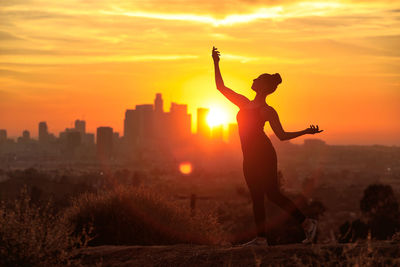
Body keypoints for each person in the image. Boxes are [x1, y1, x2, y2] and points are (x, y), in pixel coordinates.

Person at [211, 46, 323, 246]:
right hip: (249, 157)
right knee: (256, 197)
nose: (252, 80)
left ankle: (307, 224)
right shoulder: (243, 102)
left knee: (272, 194)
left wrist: (305, 131)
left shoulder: (267, 110)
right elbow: (221, 87)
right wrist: (216, 63)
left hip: (264, 154)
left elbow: (281, 135)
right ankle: (261, 239)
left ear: (262, 86)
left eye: (257, 79)